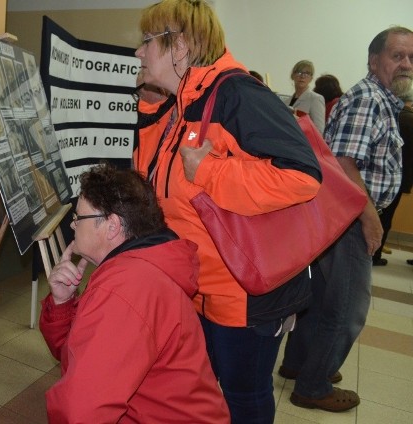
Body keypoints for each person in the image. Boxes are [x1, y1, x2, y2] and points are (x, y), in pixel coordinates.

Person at [134, 1, 322, 422]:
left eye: (147, 41)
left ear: (179, 45)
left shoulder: (236, 93)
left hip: (247, 295)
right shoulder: (187, 102)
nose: (139, 52)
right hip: (202, 287)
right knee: (200, 392)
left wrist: (210, 171)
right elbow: (155, 181)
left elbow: (302, 175)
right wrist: (149, 109)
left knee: (245, 397)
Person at [280, 26, 413, 412]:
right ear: (374, 61)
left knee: (322, 298)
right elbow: (342, 164)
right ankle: (313, 384)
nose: (406, 64)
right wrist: (371, 220)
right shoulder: (369, 99)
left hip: (342, 216)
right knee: (349, 308)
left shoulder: (382, 99)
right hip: (351, 217)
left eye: (411, 57)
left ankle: (298, 364)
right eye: (397, 55)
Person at [39, 163, 230, 423]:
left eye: (79, 217)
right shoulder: (137, 268)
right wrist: (62, 303)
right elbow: (78, 359)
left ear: (112, 226)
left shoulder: (126, 287)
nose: (73, 226)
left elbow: (80, 412)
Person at [373, 88, 413, 266]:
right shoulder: (411, 119)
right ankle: (375, 253)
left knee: (377, 213)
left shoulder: (390, 115)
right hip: (402, 175)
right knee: (387, 216)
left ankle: (371, 251)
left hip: (381, 171)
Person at [283, 60, 326, 133]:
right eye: (299, 72)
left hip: (304, 142)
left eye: (307, 73)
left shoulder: (315, 99)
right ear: (292, 75)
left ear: (311, 78)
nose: (302, 76)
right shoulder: (285, 102)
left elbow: (319, 130)